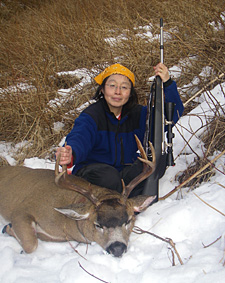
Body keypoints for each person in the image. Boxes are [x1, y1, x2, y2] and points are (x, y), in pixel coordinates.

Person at [56, 63, 184, 198]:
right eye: (112, 86)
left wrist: (167, 83)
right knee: (109, 177)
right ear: (102, 90)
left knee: (151, 166)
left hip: (123, 174)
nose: (118, 91)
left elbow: (171, 114)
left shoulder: (140, 115)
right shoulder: (91, 116)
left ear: (130, 93)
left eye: (124, 87)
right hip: (94, 173)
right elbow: (79, 138)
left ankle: (128, 201)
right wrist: (71, 153)